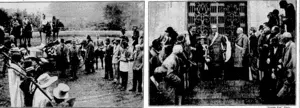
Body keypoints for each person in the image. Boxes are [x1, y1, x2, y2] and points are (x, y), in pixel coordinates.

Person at [276, 32, 296, 104]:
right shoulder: (285, 46)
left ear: (286, 39)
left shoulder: (292, 45)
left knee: (286, 87)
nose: (281, 39)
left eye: (283, 38)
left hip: (289, 71)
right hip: (285, 70)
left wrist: (289, 68)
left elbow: (294, 59)